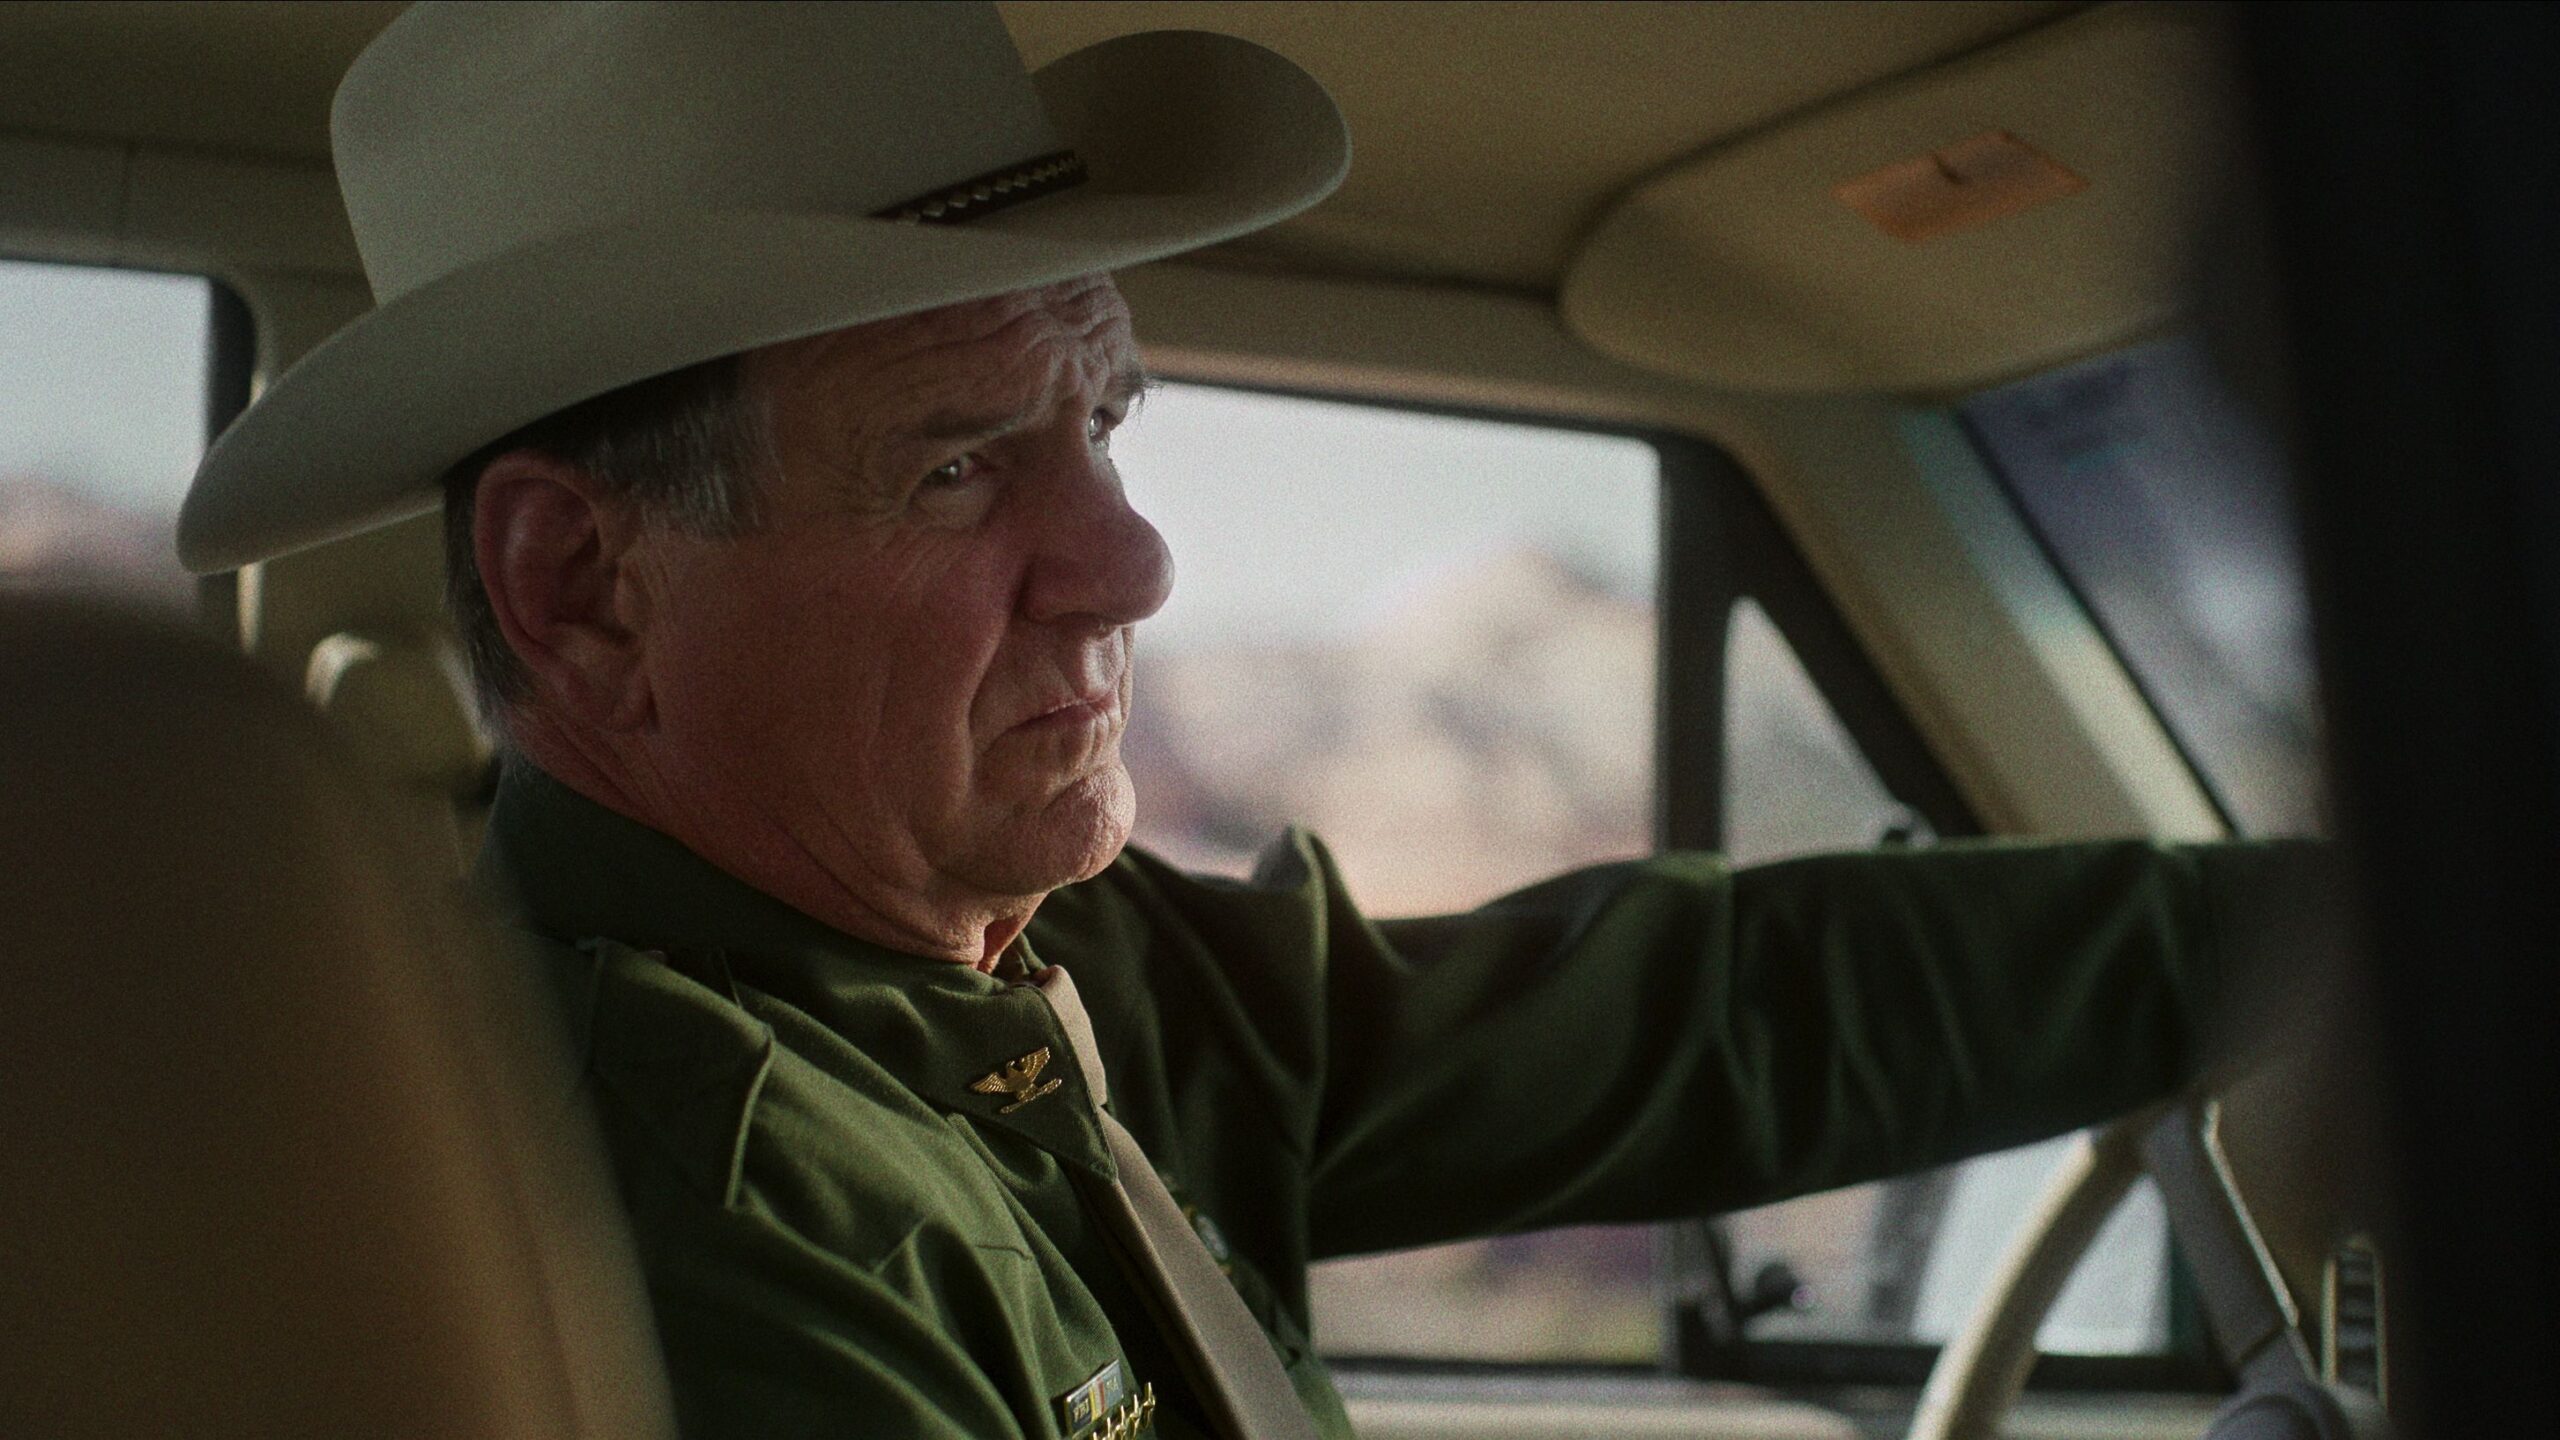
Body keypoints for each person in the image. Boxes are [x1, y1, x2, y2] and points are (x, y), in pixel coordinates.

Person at [177, 6, 2330, 1439]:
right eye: (956, 467)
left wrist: (2363, 926)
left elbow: (1680, 1023)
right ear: (583, 590)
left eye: (1099, 427)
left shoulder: (1017, 963)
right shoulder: (696, 1218)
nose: (1128, 565)